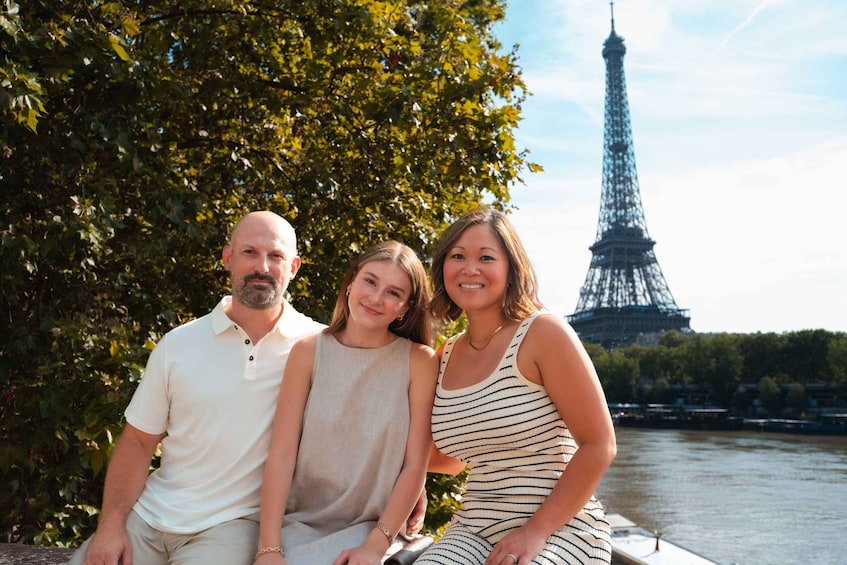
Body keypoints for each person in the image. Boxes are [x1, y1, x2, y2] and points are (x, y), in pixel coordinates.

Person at [70, 211, 326, 565]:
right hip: (147, 519)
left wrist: (406, 490)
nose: (262, 267)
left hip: (233, 526)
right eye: (249, 252)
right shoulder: (179, 344)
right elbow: (138, 441)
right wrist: (111, 527)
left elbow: (373, 408)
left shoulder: (318, 345)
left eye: (276, 256)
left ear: (294, 266)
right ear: (228, 259)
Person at [415, 208, 617, 565]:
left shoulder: (543, 334)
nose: (469, 268)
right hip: (473, 530)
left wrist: (535, 530)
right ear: (443, 268)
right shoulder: (445, 355)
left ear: (511, 269)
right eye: (457, 256)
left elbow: (600, 444)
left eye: (486, 257)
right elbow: (448, 462)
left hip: (559, 529)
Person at [254, 240, 438, 565]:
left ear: (406, 308)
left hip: (375, 532)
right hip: (300, 527)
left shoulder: (420, 362)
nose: (376, 298)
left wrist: (374, 547)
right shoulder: (308, 352)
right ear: (351, 281)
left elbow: (414, 466)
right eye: (370, 281)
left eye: (394, 292)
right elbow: (282, 455)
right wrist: (268, 549)